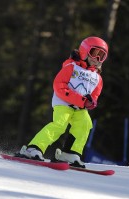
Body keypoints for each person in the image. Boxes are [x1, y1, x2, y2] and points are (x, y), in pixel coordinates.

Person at [17, 36, 108, 168]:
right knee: (60, 125)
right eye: (94, 53)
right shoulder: (71, 67)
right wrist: (80, 100)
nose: (97, 59)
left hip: (80, 108)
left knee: (85, 124)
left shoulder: (97, 78)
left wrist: (91, 102)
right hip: (63, 103)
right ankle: (34, 148)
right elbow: (58, 85)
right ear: (85, 51)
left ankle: (70, 153)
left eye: (102, 56)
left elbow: (95, 95)